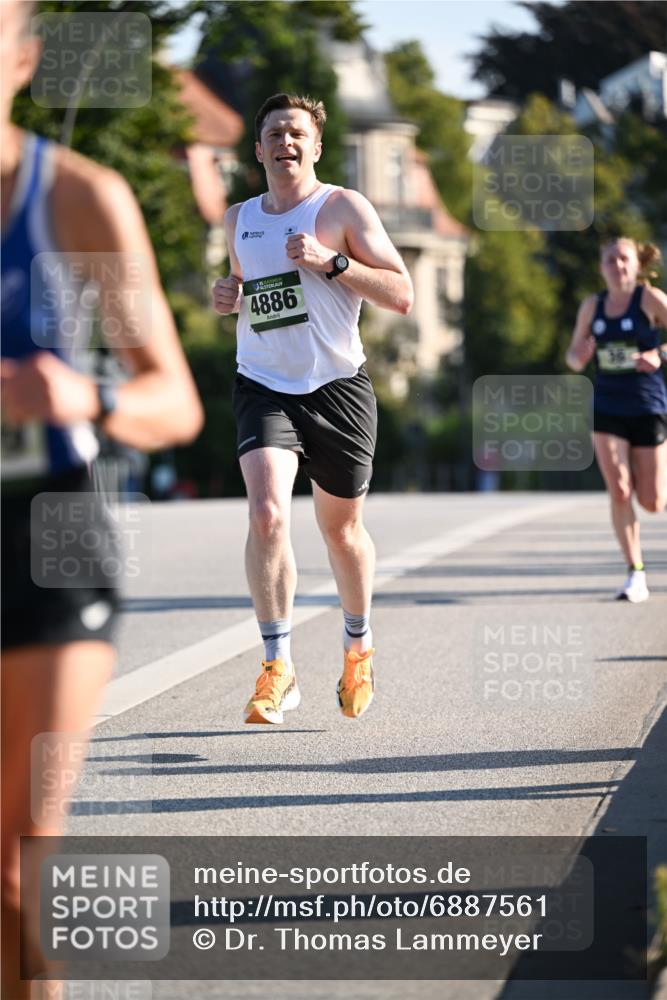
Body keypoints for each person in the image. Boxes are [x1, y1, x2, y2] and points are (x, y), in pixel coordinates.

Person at [1, 2, 204, 995]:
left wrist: (90, 393)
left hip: (50, 541)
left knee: (22, 860)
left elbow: (175, 398)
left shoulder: (79, 198)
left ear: (23, 62)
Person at [212, 93, 413, 724]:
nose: (285, 142)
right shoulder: (237, 218)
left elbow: (402, 293)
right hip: (263, 383)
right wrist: (227, 296)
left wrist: (335, 263)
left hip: (337, 388)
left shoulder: (342, 207)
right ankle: (277, 667)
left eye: (296, 133)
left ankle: (357, 645)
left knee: (340, 529)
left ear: (316, 146)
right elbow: (253, 297)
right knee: (268, 514)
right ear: (258, 149)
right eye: (273, 133)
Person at [566, 236, 667, 602]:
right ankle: (635, 572)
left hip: (648, 405)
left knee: (654, 501)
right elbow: (574, 359)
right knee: (620, 490)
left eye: (623, 259)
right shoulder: (592, 306)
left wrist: (659, 354)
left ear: (637, 264)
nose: (617, 266)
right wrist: (579, 354)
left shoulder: (651, 299)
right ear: (601, 267)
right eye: (609, 260)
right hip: (607, 407)